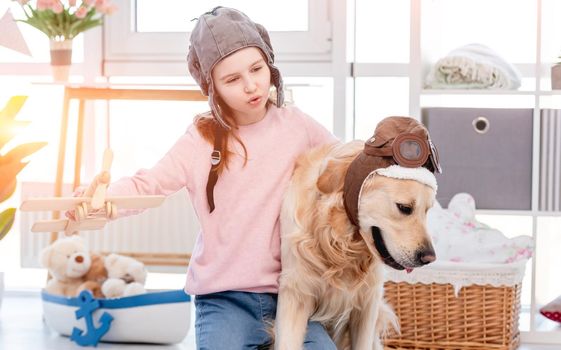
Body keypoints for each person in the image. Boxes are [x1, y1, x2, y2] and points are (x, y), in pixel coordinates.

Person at [68, 7, 339, 350]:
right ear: (212, 88)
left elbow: (345, 165)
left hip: (294, 295)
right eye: (232, 80)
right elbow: (149, 183)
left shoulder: (298, 126)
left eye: (257, 69)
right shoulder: (202, 138)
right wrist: (100, 202)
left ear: (269, 64)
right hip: (223, 298)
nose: (251, 85)